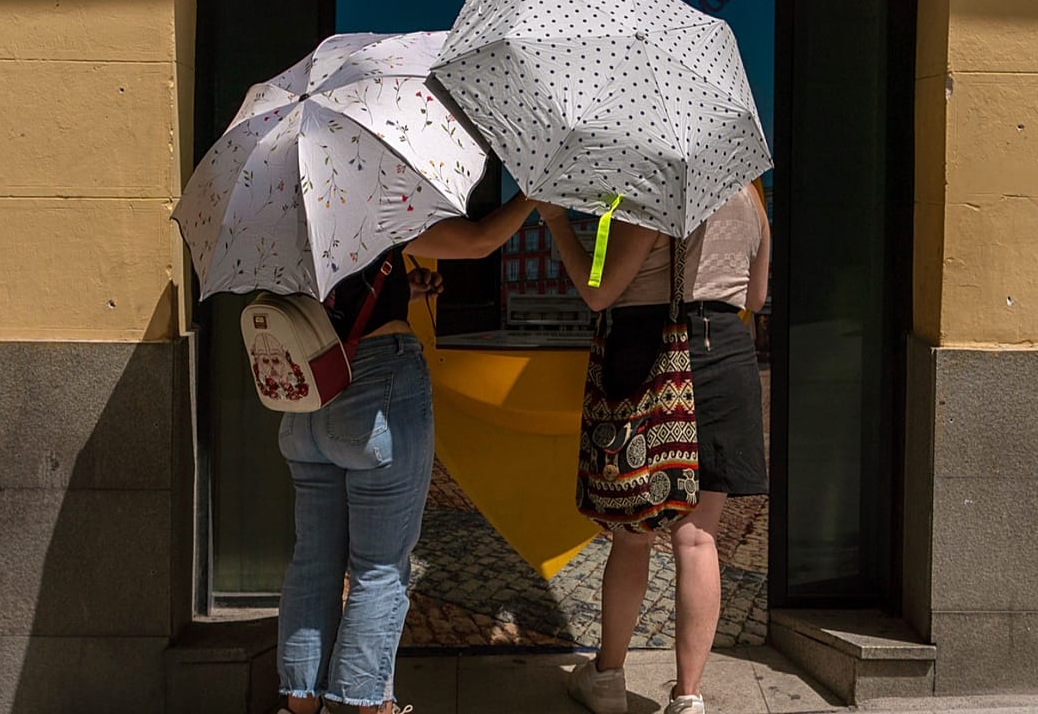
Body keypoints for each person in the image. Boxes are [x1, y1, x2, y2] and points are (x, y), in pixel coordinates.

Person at [270, 194, 539, 714]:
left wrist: (397, 292)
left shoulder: (285, 205)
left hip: (306, 396)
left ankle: (299, 706)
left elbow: (336, 296)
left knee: (314, 563)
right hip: (375, 389)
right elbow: (480, 241)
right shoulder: (371, 194)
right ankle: (365, 705)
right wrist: (532, 200)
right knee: (377, 568)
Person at [538, 184, 771, 714]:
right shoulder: (750, 196)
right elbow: (755, 298)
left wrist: (556, 223)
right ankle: (688, 698)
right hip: (728, 357)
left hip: (654, 354)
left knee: (633, 534)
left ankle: (607, 678)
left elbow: (599, 293)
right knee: (698, 542)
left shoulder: (652, 189)